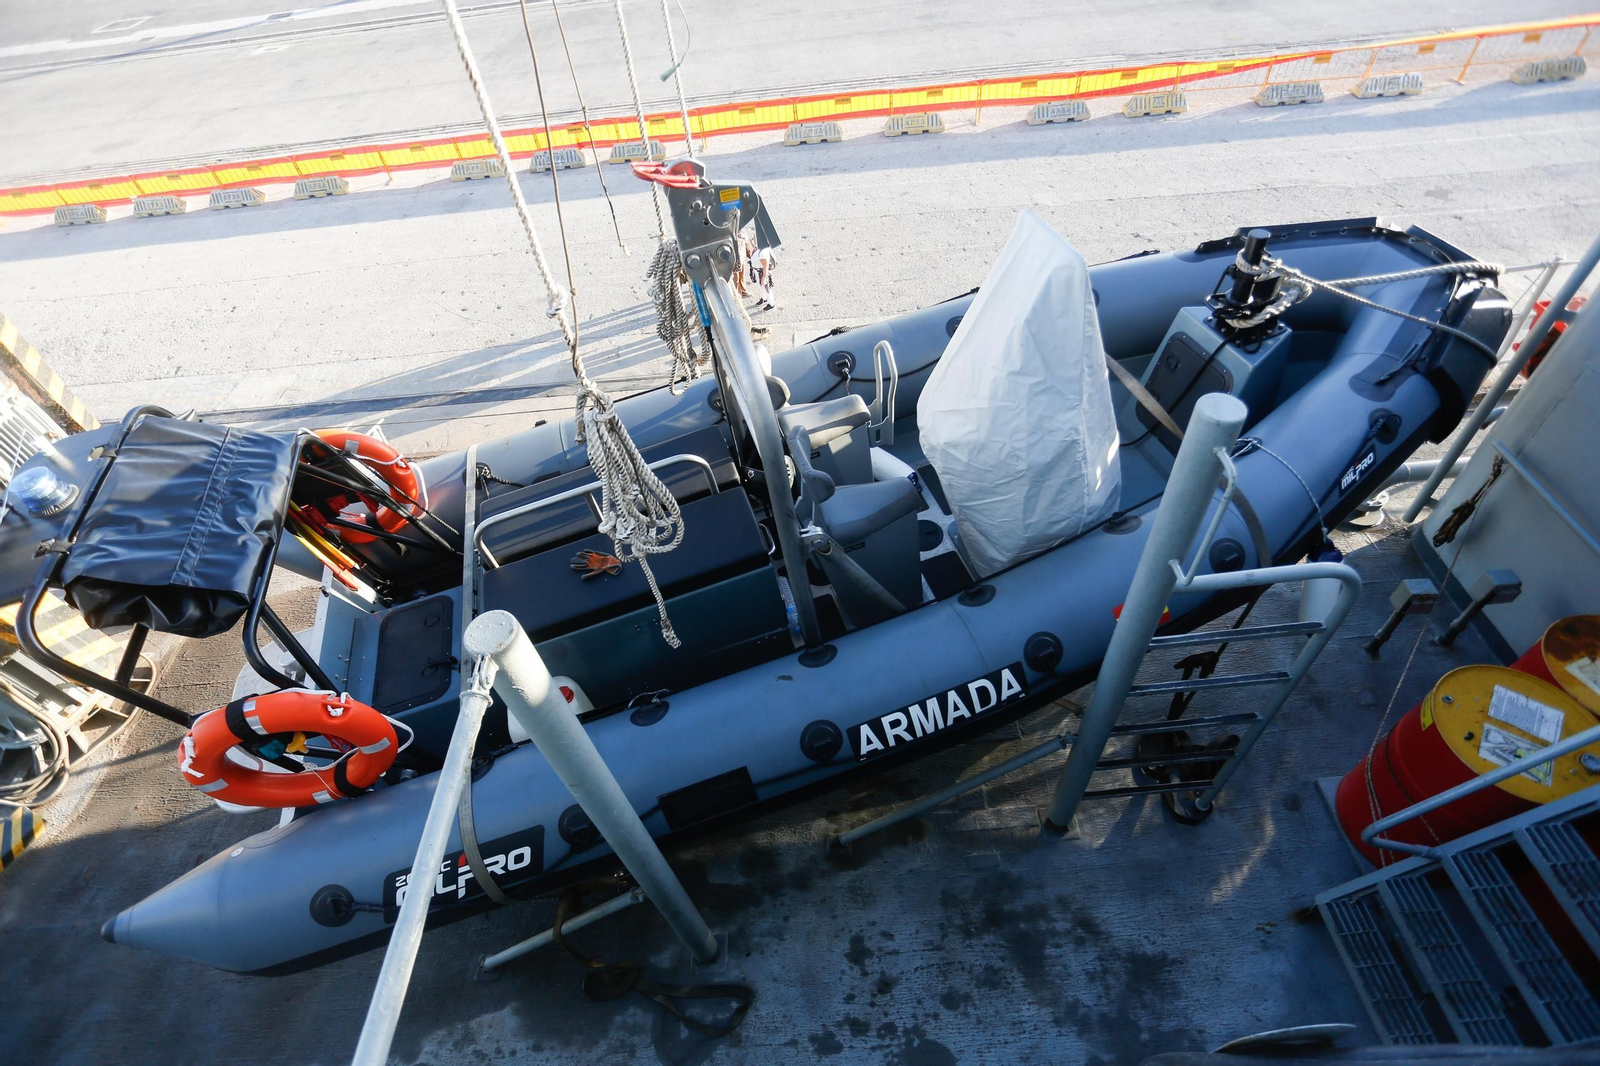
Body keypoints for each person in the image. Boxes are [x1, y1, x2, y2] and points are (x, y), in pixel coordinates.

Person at [751, 244, 776, 311]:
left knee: (766, 288)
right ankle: (764, 298)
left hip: (761, 272)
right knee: (760, 287)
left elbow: (765, 266)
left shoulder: (763, 252)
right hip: (757, 270)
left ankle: (771, 304)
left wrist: (764, 278)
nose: (752, 240)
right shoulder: (759, 248)